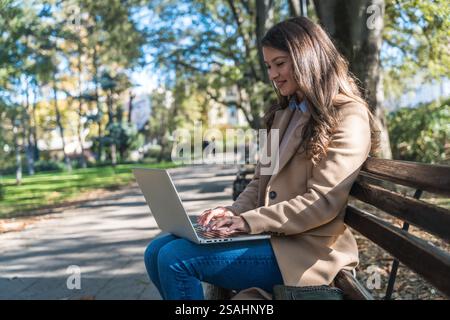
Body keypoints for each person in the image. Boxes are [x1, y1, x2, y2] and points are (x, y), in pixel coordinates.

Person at [144, 16, 380, 300]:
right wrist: (233, 212)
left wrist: (248, 222)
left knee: (175, 258)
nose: (273, 74)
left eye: (280, 63)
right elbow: (259, 182)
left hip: (307, 251)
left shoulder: (348, 115)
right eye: (269, 66)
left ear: (307, 57)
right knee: (155, 251)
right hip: (274, 239)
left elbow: (323, 202)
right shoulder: (282, 116)